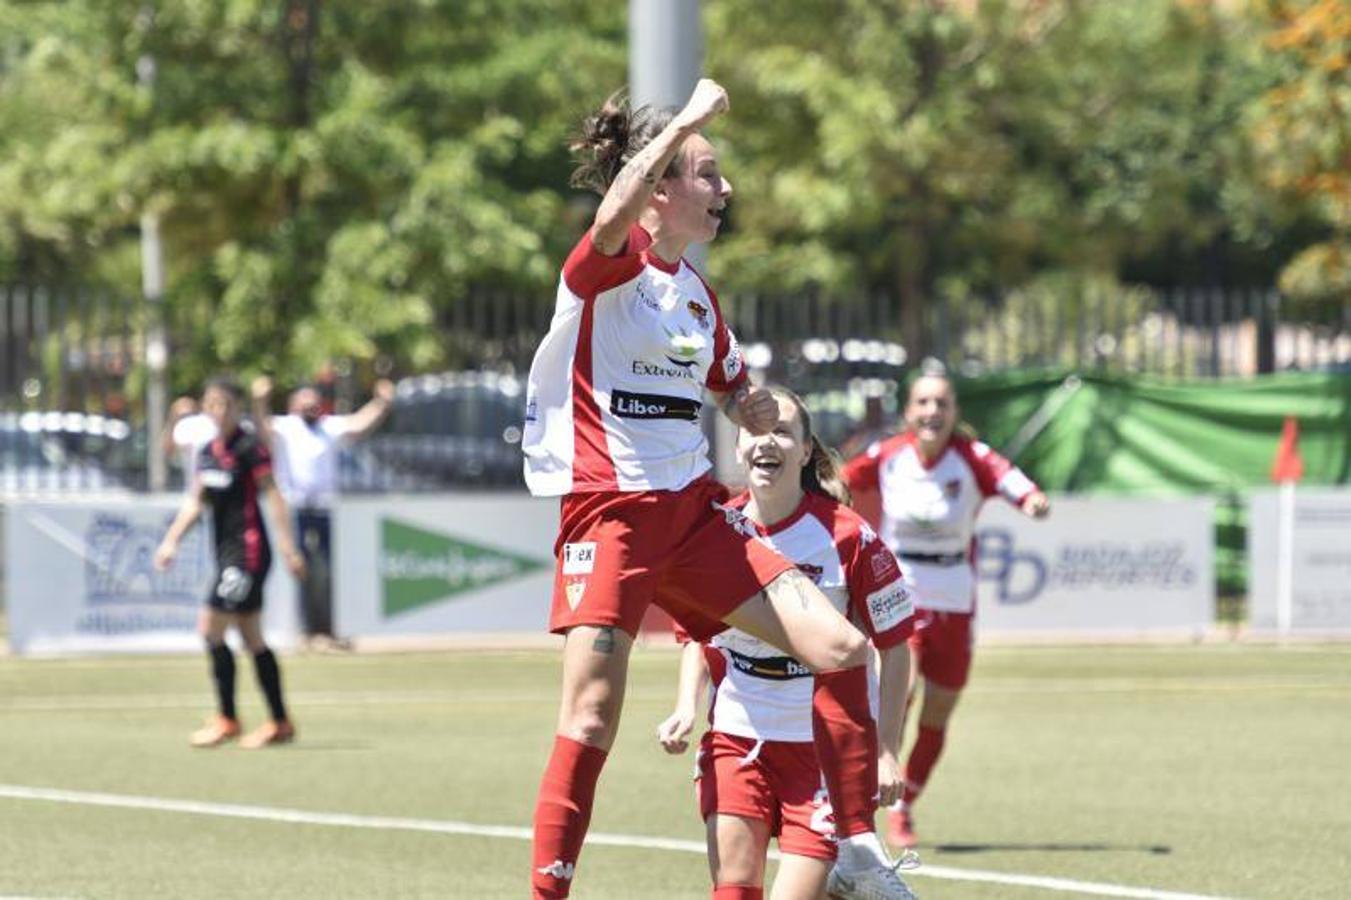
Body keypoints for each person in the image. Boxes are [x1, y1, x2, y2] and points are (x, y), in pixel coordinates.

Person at [522, 78, 916, 900]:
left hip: (696, 520)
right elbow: (607, 218)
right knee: (590, 716)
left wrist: (749, 402)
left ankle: (850, 847)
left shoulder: (695, 299)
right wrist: (686, 121)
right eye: (706, 172)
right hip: (614, 513)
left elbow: (730, 387)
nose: (723, 188)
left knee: (840, 648)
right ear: (659, 187)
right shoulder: (608, 265)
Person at [656, 386, 918, 900]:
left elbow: (895, 645)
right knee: (733, 889)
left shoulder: (849, 536)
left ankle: (848, 877)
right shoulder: (717, 532)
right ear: (736, 446)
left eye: (782, 431)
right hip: (736, 734)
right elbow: (696, 633)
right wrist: (686, 706)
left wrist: (886, 751)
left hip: (824, 752)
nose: (766, 442)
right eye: (754, 430)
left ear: (804, 450)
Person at [841, 366, 1050, 849]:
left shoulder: (971, 458)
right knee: (901, 687)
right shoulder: (890, 455)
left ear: (955, 412)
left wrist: (1032, 501)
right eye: (923, 403)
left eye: (942, 404)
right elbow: (839, 479)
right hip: (902, 587)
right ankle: (863, 792)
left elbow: (1013, 481)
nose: (932, 412)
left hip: (955, 593)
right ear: (909, 411)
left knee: (938, 711)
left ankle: (905, 804)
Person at [153, 376, 307, 749]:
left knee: (210, 629)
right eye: (212, 405)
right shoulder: (208, 451)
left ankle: (227, 718)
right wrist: (171, 541)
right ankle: (280, 722)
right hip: (226, 555)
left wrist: (289, 548)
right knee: (252, 637)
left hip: (248, 554)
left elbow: (274, 496)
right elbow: (196, 501)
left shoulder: (250, 447)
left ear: (238, 408)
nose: (218, 412)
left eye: (225, 405)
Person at [250, 375, 395, 647]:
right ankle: (305, 631)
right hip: (296, 509)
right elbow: (262, 427)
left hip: (325, 509)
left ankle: (326, 629)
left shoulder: (329, 427)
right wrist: (259, 401)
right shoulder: (287, 427)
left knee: (328, 570)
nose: (310, 408)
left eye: (314, 403)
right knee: (300, 568)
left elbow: (359, 424)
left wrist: (381, 403)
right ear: (294, 405)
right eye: (305, 403)